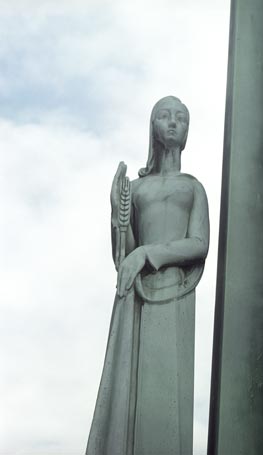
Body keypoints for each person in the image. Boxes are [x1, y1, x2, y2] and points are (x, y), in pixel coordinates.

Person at [86, 96, 209, 455]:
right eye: (164, 116)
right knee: (130, 387)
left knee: (168, 388)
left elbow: (199, 243)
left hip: (175, 292)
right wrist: (116, 212)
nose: (173, 122)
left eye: (181, 118)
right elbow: (124, 252)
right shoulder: (138, 189)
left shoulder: (193, 187)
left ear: (187, 131)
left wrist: (147, 254)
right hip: (138, 296)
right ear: (153, 127)